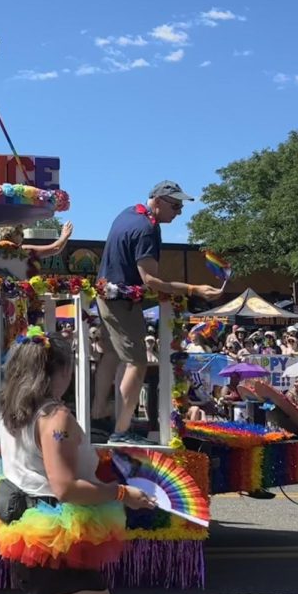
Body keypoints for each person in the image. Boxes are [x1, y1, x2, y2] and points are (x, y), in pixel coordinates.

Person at [0, 326, 155, 594]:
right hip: (58, 537)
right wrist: (123, 493)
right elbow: (66, 487)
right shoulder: (55, 417)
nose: (71, 374)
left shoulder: (12, 410)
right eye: (69, 366)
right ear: (57, 371)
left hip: (25, 533)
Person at [93, 181, 222, 444]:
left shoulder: (128, 213)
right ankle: (120, 431)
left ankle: (98, 414)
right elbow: (150, 279)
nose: (179, 212)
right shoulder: (146, 229)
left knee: (109, 355)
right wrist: (193, 289)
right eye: (175, 206)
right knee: (136, 363)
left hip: (105, 295)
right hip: (122, 302)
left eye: (181, 206)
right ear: (159, 201)